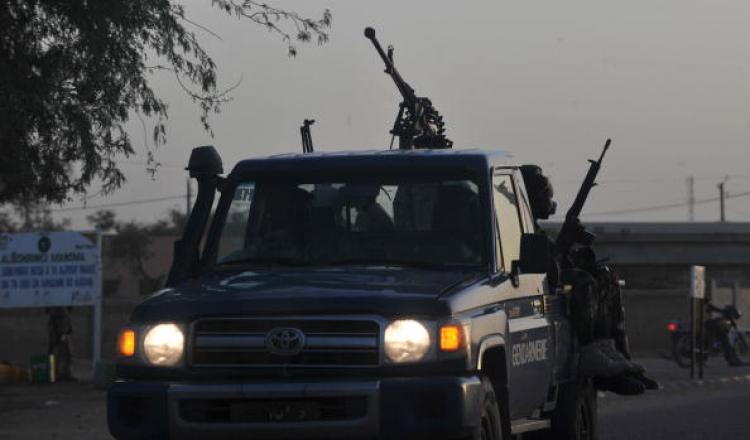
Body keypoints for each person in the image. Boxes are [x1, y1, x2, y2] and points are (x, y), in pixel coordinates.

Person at [519, 165, 658, 395]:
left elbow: (559, 258)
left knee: (605, 276)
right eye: (545, 195)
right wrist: (565, 240)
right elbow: (548, 267)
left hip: (547, 282)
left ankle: (614, 354)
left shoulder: (534, 227)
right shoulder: (521, 228)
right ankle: (589, 350)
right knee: (582, 281)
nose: (549, 201)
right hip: (537, 288)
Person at [705, 302, 746, 366]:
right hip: (715, 326)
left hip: (713, 325)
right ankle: (733, 360)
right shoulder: (723, 320)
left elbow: (714, 309)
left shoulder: (720, 313)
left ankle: (732, 360)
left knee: (725, 340)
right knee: (725, 341)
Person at [47, 307, 74, 381]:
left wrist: (68, 329)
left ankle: (66, 374)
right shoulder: (56, 309)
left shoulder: (64, 310)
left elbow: (67, 316)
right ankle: (55, 374)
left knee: (68, 354)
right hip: (57, 332)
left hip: (63, 331)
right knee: (56, 354)